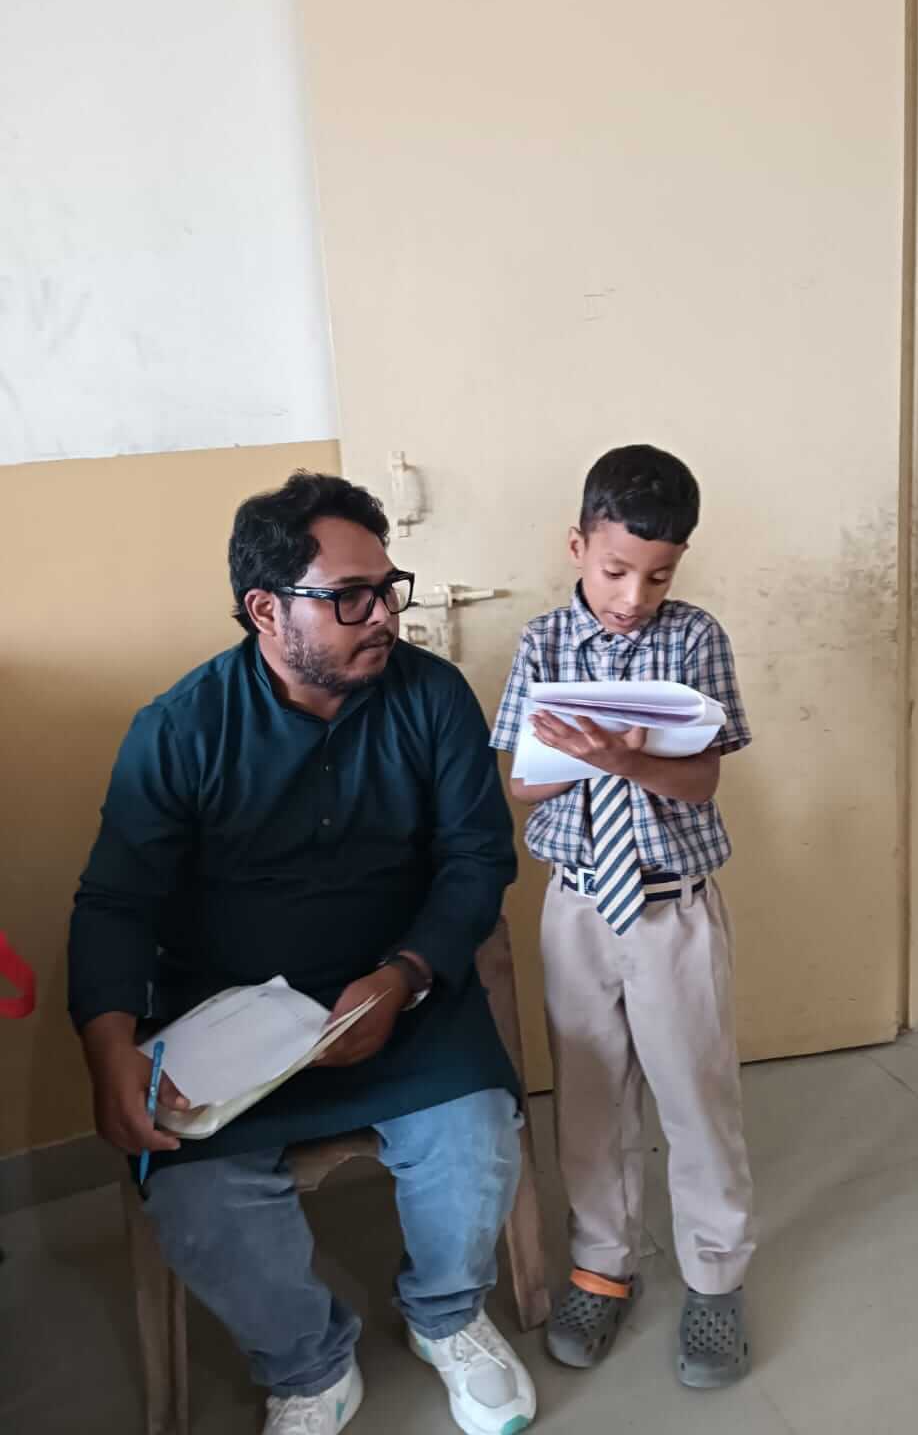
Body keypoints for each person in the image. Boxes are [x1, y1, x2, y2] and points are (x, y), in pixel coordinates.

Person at [68, 471, 537, 1435]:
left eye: (388, 589)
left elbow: (477, 858)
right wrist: (108, 1047)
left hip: (403, 993)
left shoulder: (431, 697)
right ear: (265, 610)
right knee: (197, 1200)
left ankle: (446, 1317)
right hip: (230, 1020)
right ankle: (309, 1365)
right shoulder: (180, 729)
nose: (385, 617)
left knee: (477, 1143)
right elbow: (117, 900)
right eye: (350, 598)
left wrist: (404, 976)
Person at [490, 444, 756, 1389]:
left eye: (658, 575)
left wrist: (627, 759)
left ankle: (716, 1277)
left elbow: (704, 778)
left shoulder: (695, 639)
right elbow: (522, 784)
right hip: (576, 907)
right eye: (615, 570)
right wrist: (586, 755)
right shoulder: (542, 645)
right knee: (590, 1098)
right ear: (578, 546)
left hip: (671, 909)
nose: (634, 595)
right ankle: (602, 1266)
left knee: (696, 1097)